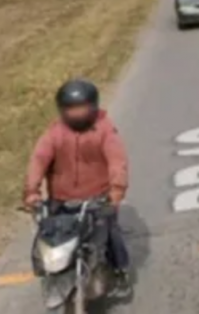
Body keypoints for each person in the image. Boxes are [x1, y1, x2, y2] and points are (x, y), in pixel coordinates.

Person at [24, 78, 132, 296]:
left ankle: (121, 272)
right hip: (61, 199)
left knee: (110, 233)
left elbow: (116, 161)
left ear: (93, 106)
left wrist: (116, 191)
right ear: (62, 111)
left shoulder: (105, 130)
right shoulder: (55, 133)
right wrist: (31, 191)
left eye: (82, 109)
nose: (77, 115)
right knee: (48, 236)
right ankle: (52, 272)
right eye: (71, 110)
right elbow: (39, 159)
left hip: (98, 198)